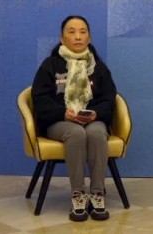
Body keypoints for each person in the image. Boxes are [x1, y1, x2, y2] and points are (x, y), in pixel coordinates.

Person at [31, 15, 117, 222]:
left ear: (89, 37)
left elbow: (109, 99)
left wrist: (95, 114)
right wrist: (63, 113)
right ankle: (78, 194)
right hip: (59, 122)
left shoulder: (98, 67)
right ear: (62, 38)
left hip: (93, 120)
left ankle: (97, 193)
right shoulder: (50, 66)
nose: (78, 37)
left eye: (82, 32)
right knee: (76, 133)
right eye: (71, 32)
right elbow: (40, 100)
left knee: (97, 133)